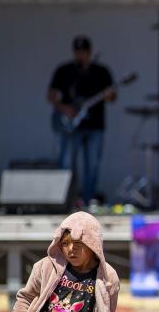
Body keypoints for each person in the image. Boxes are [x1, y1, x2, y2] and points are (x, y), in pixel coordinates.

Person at [48, 35, 116, 206]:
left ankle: (87, 203)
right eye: (78, 51)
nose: (81, 55)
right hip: (70, 126)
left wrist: (109, 95)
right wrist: (65, 108)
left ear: (90, 52)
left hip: (94, 125)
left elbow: (112, 97)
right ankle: (65, 201)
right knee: (67, 164)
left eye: (84, 52)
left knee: (92, 166)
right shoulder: (65, 70)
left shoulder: (101, 71)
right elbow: (51, 95)